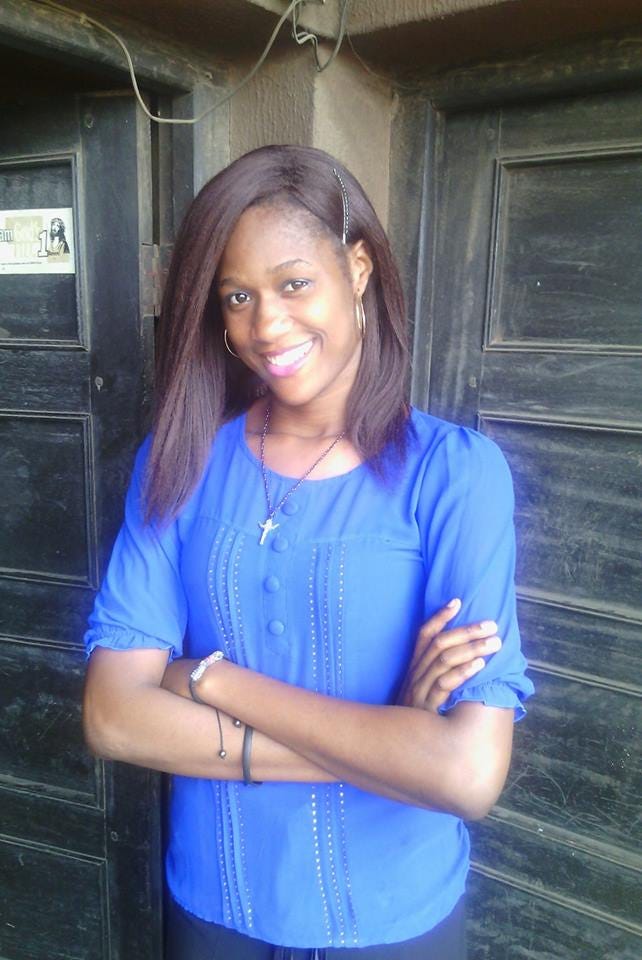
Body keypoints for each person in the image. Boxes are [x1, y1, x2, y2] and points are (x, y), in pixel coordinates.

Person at [82, 144, 533, 960]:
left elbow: (467, 774)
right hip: (214, 906)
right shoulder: (180, 462)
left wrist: (206, 680)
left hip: (393, 918)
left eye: (294, 284)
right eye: (237, 296)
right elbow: (114, 715)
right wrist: (395, 740)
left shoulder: (456, 476)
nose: (266, 325)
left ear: (357, 269)